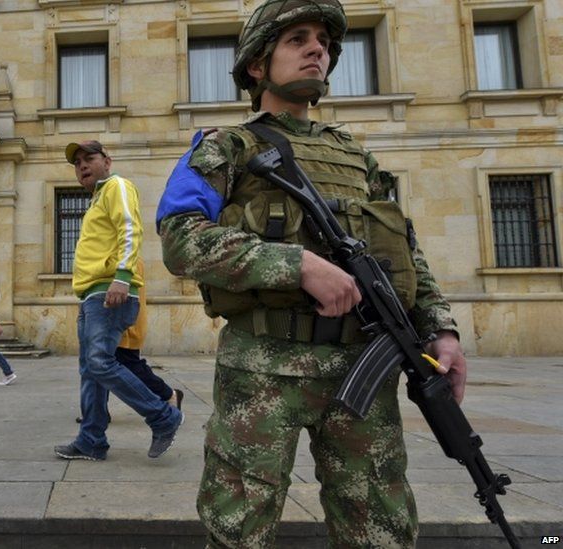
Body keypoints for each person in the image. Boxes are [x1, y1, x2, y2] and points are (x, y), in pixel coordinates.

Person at [156, 1, 467, 546]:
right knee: (238, 528)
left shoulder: (357, 159)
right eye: (297, 39)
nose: (317, 49)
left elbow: (405, 252)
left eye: (322, 41)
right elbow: (180, 241)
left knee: (381, 526)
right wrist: (296, 265)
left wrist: (441, 328)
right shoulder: (226, 148)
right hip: (262, 370)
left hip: (362, 367)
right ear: (258, 65)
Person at [54, 140, 184, 461]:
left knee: (100, 362)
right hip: (91, 295)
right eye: (77, 162)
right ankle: (91, 440)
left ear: (107, 161)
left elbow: (131, 228)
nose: (82, 165)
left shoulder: (117, 186)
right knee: (90, 370)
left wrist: (122, 277)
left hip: (109, 292)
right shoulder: (97, 200)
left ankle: (162, 416)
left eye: (90, 158)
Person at [76, 259, 184, 423]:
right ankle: (97, 413)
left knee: (129, 366)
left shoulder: (128, 262)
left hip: (124, 325)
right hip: (111, 322)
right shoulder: (113, 257)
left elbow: (131, 297)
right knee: (98, 365)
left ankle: (168, 395)